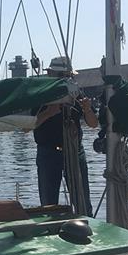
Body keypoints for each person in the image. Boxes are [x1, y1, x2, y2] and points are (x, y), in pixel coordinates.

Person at [32, 57, 98, 215]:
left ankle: (87, 227)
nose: (66, 79)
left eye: (68, 76)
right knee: (49, 204)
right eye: (61, 75)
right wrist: (48, 112)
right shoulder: (40, 96)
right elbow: (27, 127)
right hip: (49, 153)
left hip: (75, 152)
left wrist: (87, 109)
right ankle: (50, 231)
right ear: (51, 74)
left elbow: (93, 124)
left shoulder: (77, 92)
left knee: (83, 202)